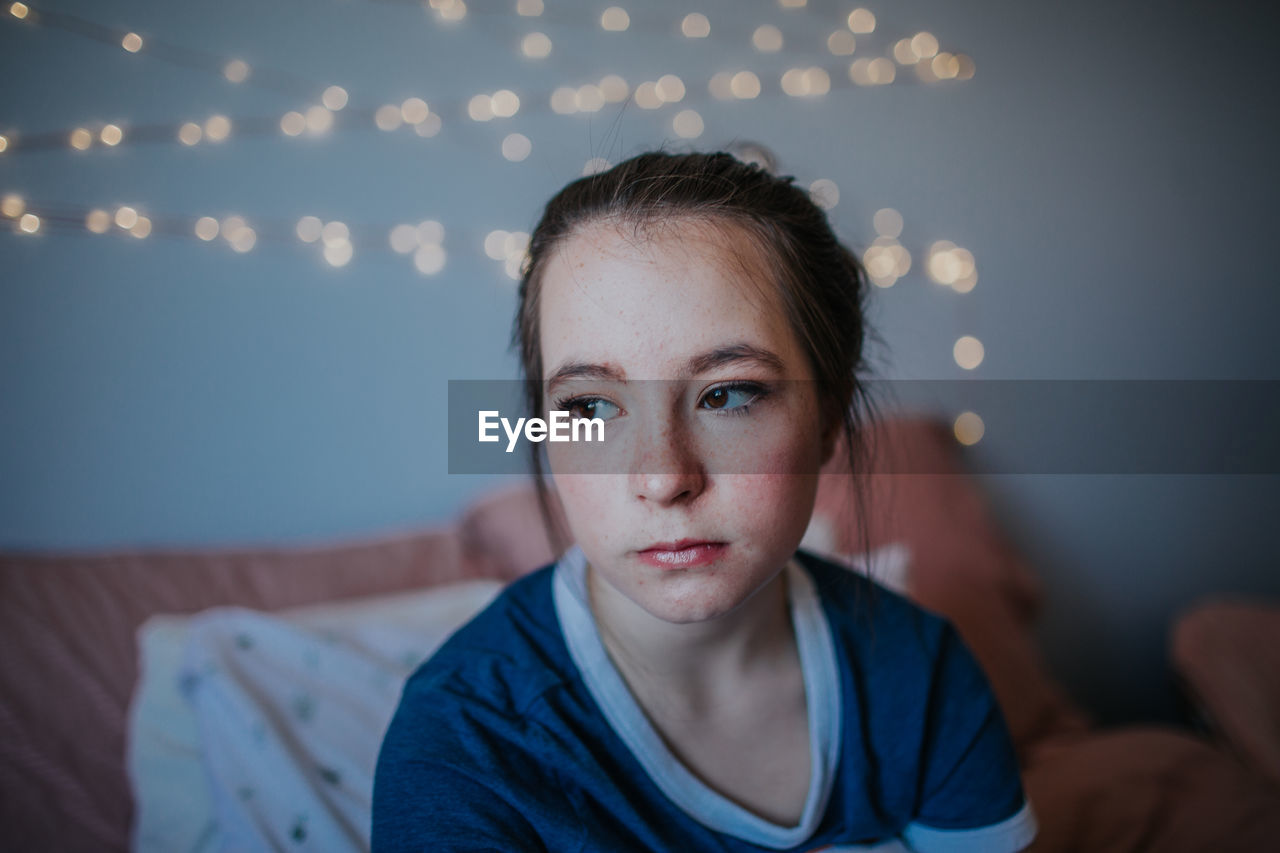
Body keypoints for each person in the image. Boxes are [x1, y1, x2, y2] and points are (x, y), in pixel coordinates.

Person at [372, 150, 1038, 852]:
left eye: (727, 394)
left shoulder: (920, 672)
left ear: (828, 422)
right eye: (592, 406)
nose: (663, 476)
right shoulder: (460, 747)